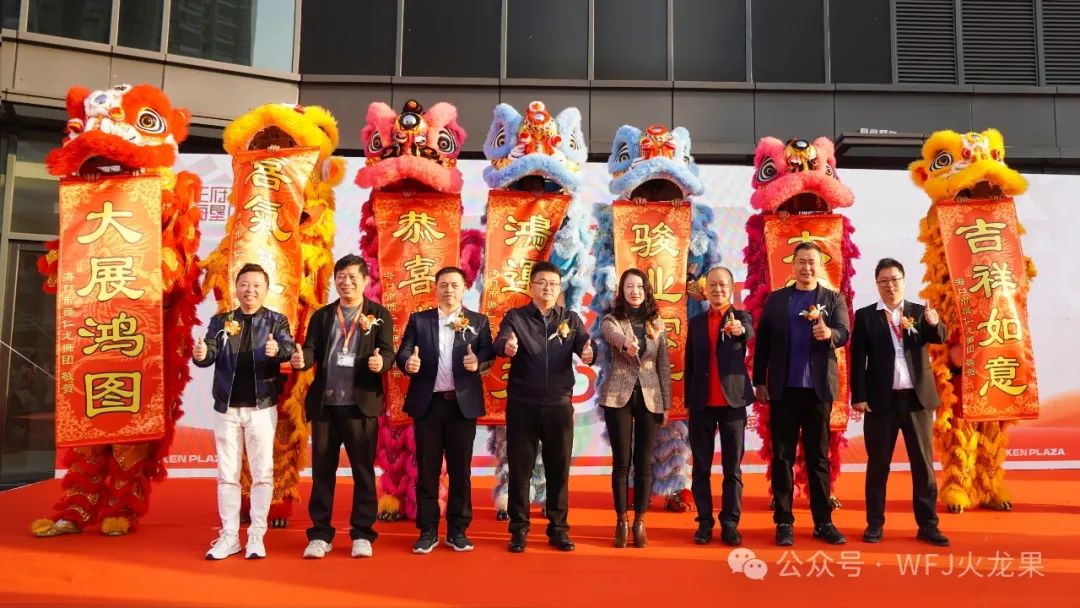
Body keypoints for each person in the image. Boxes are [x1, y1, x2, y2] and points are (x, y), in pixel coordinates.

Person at [290, 254, 393, 559]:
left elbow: (388, 351)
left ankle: (362, 533)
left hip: (361, 406)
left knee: (363, 472)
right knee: (323, 472)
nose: (346, 283)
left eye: (352, 277)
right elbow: (311, 349)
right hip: (326, 405)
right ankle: (320, 534)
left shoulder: (379, 314)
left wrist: (381, 363)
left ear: (365, 280)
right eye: (341, 277)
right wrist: (302, 359)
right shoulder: (323, 316)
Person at [193, 263, 296, 560]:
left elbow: (288, 348)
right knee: (227, 475)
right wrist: (201, 355)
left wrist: (278, 352)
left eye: (256, 285)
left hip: (261, 407)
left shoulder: (276, 320)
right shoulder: (221, 321)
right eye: (244, 284)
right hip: (226, 408)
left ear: (265, 290)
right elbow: (209, 352)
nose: (249, 290)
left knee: (263, 474)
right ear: (236, 288)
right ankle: (229, 536)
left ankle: (256, 535)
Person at [493, 261, 595, 553]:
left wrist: (591, 352)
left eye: (553, 283)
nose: (547, 288)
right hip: (522, 406)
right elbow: (501, 342)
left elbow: (586, 345)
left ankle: (558, 529)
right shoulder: (516, 317)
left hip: (558, 406)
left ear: (559, 287)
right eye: (542, 282)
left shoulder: (570, 319)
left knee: (558, 470)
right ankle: (519, 530)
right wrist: (507, 346)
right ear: (531, 287)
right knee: (520, 470)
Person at [753, 242, 850, 546]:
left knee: (818, 457)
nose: (807, 267)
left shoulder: (833, 299)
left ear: (820, 266)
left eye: (812, 262)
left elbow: (844, 332)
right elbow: (763, 343)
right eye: (802, 262)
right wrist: (759, 382)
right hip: (784, 390)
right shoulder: (777, 300)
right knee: (782, 457)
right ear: (793, 265)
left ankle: (823, 521)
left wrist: (829, 334)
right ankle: (784, 521)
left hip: (818, 392)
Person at [396, 266, 495, 554]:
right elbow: (404, 352)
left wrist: (478, 362)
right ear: (436, 288)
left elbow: (488, 352)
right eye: (443, 285)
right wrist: (408, 363)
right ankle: (427, 530)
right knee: (427, 471)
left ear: (464, 289)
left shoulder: (477, 321)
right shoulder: (420, 320)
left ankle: (457, 530)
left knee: (460, 471)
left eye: (454, 285)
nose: (449, 290)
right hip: (429, 405)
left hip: (461, 407)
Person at [851, 258, 950, 546]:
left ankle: (928, 525)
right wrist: (859, 396)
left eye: (894, 279)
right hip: (881, 402)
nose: (890, 285)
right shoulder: (866, 316)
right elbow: (858, 360)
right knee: (878, 465)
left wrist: (934, 322)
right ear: (877, 284)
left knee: (922, 464)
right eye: (884, 281)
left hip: (917, 400)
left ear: (904, 281)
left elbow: (939, 337)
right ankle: (874, 524)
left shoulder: (919, 312)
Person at [598, 268, 671, 548]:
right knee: (621, 462)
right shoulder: (612, 319)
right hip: (618, 396)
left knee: (644, 462)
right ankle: (622, 521)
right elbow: (613, 335)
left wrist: (666, 404)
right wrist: (626, 343)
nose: (635, 291)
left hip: (651, 397)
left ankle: (640, 521)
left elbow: (663, 365)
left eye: (639, 286)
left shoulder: (657, 322)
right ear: (622, 291)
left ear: (646, 290)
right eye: (629, 286)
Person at [685, 266, 755, 547]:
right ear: (705, 289)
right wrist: (689, 401)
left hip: (732, 404)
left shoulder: (741, 317)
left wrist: (739, 330)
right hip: (701, 404)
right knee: (701, 467)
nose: (717, 289)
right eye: (712, 284)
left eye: (723, 284)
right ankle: (704, 522)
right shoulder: (696, 322)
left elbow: (746, 332)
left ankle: (730, 523)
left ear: (731, 287)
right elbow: (690, 364)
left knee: (732, 469)